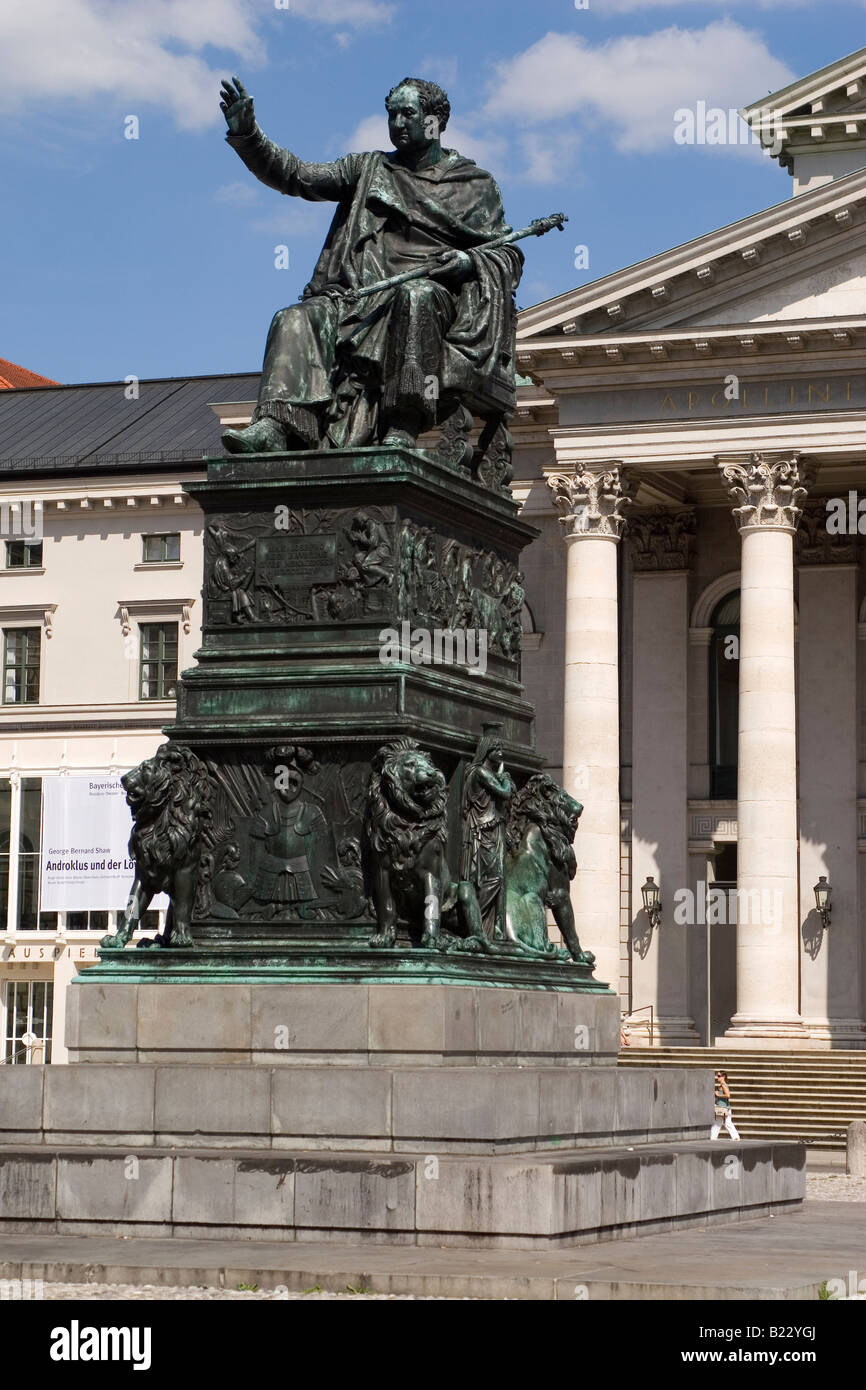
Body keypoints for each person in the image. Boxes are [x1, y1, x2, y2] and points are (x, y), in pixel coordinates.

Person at [218, 75, 522, 453]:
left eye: (407, 114)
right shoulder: (367, 169)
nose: (397, 124)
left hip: (434, 298)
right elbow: (296, 176)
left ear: (435, 121)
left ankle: (403, 422)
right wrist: (249, 135)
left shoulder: (475, 184)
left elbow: (507, 253)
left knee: (415, 297)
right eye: (391, 115)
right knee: (294, 317)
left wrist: (465, 262)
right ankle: (278, 425)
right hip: (360, 297)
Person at [711, 1069, 741, 1141]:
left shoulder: (723, 1085)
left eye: (719, 1076)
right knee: (723, 1123)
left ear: (723, 1076)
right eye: (717, 1076)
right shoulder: (722, 1085)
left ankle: (713, 1137)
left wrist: (718, 1095)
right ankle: (735, 1137)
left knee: (719, 1123)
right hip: (723, 1107)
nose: (717, 1077)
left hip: (724, 1107)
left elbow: (728, 1095)